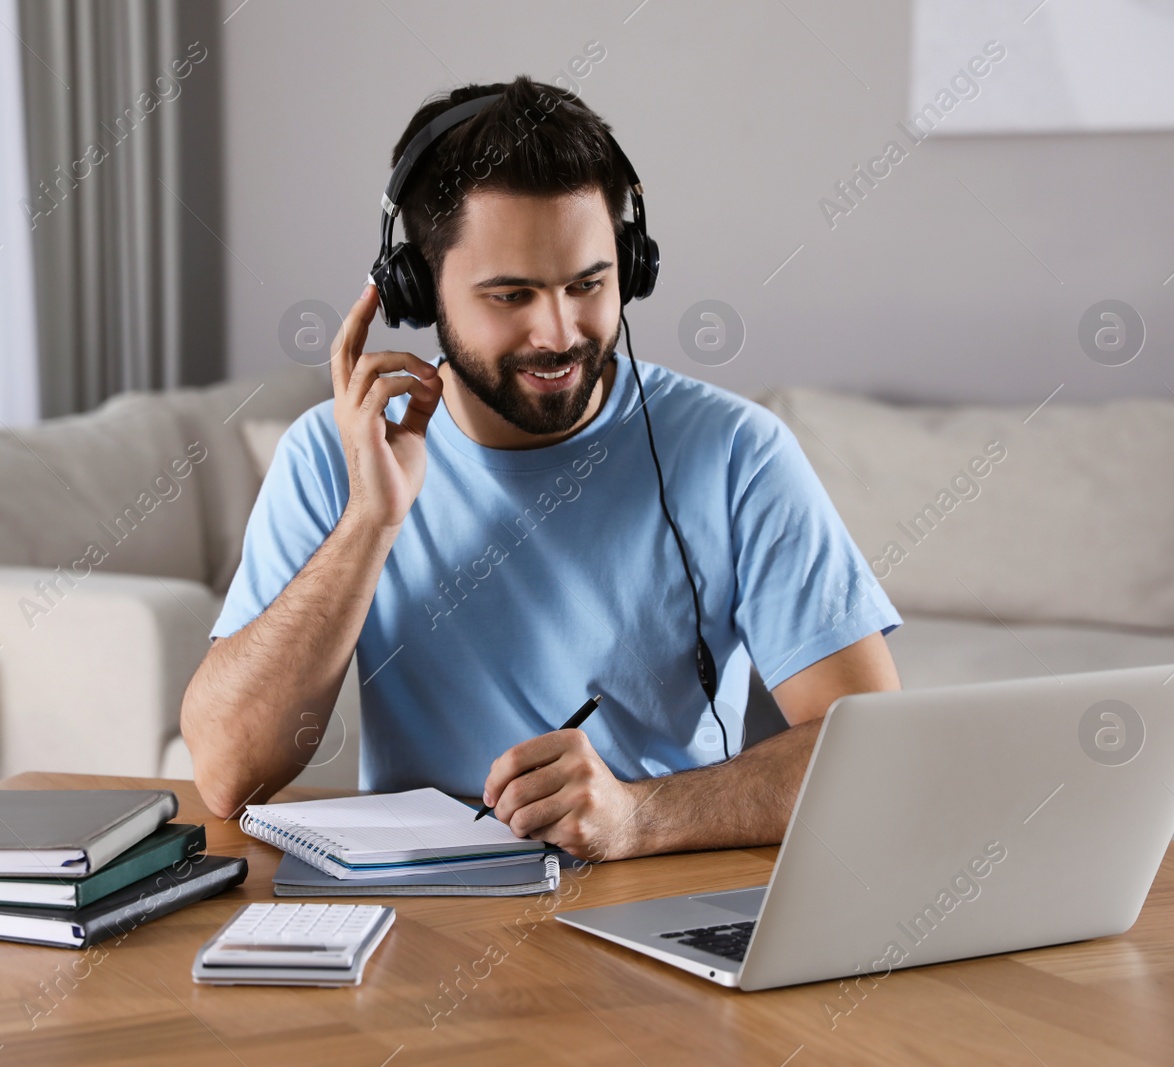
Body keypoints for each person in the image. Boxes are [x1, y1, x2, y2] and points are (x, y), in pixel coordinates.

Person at [181, 76, 902, 861]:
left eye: (588, 285)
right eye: (511, 294)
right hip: (425, 922)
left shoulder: (738, 453)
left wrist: (640, 815)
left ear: (632, 264)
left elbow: (874, 752)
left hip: (652, 903)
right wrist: (369, 522)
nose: (559, 333)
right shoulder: (333, 456)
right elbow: (228, 775)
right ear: (417, 292)